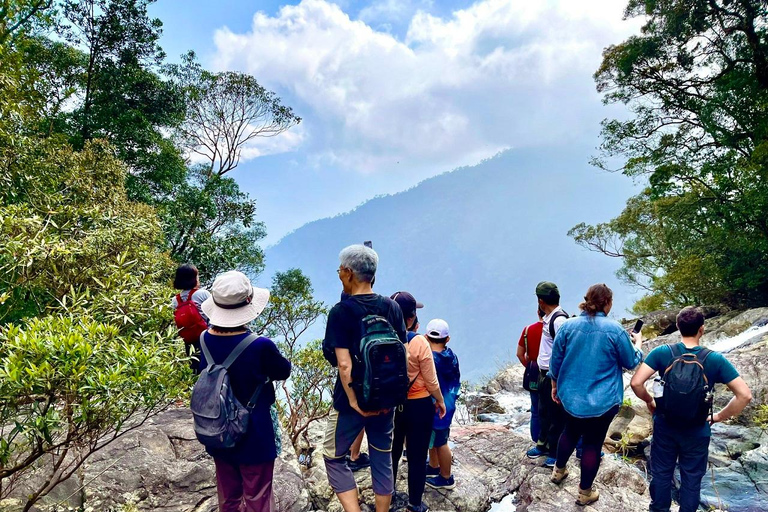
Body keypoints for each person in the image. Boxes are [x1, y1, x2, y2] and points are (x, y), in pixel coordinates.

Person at [631, 306, 752, 512]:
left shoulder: (663, 352)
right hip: (697, 429)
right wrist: (719, 416)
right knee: (691, 479)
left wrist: (650, 402)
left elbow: (636, 383)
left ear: (678, 327)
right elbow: (745, 395)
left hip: (665, 425)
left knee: (661, 474)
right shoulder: (714, 359)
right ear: (702, 330)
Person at [322, 245, 408, 512]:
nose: (339, 275)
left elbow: (344, 365)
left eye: (340, 271)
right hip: (386, 398)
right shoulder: (391, 307)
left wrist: (354, 401)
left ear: (348, 272)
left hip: (352, 402)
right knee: (382, 457)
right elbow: (402, 353)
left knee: (333, 456)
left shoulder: (341, 311)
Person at [198, 270, 292, 512]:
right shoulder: (260, 345)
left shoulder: (204, 340)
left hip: (218, 430)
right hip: (255, 431)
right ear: (247, 304)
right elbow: (283, 371)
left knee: (228, 497)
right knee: (258, 498)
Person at [548, 284, 644, 506]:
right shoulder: (615, 330)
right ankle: (584, 493)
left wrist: (555, 386)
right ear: (608, 303)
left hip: (571, 396)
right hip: (603, 401)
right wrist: (637, 343)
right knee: (592, 444)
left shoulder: (568, 327)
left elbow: (556, 362)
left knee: (570, 431)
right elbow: (630, 361)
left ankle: (558, 471)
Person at [391, 311, 446, 512]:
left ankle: (387, 495)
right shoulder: (419, 342)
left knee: (392, 452)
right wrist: (440, 400)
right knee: (416, 455)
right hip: (419, 404)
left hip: (392, 404)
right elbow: (431, 380)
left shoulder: (385, 335)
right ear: (410, 318)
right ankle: (414, 503)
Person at [526, 281, 568, 468]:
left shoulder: (559, 320)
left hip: (553, 376)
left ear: (541, 301)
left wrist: (557, 380)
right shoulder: (550, 318)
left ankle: (555, 453)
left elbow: (564, 350)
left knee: (556, 416)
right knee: (544, 412)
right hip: (543, 374)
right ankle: (542, 445)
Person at [425, 319, 461, 491]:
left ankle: (446, 477)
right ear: (447, 339)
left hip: (436, 406)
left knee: (441, 441)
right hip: (449, 403)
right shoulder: (451, 356)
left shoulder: (430, 359)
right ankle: (433, 466)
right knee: (435, 437)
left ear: (426, 337)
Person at [172, 264, 211, 372]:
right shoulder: (202, 294)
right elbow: (215, 314)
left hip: (188, 341)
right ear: (193, 278)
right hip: (207, 337)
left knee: (195, 369)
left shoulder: (175, 301)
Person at [516, 309, 544, 443]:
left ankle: (536, 439)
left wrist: (528, 366)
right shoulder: (557, 328)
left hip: (533, 371)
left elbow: (519, 354)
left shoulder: (528, 330)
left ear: (538, 312)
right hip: (551, 372)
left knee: (535, 409)